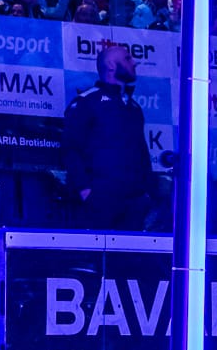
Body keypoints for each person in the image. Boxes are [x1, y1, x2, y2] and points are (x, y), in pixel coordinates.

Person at [61, 44, 156, 231]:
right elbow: (70, 148)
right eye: (127, 59)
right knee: (97, 249)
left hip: (134, 201)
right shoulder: (87, 102)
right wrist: (84, 189)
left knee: (132, 249)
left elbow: (142, 152)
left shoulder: (133, 107)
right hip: (100, 198)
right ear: (111, 65)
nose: (134, 62)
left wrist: (147, 192)